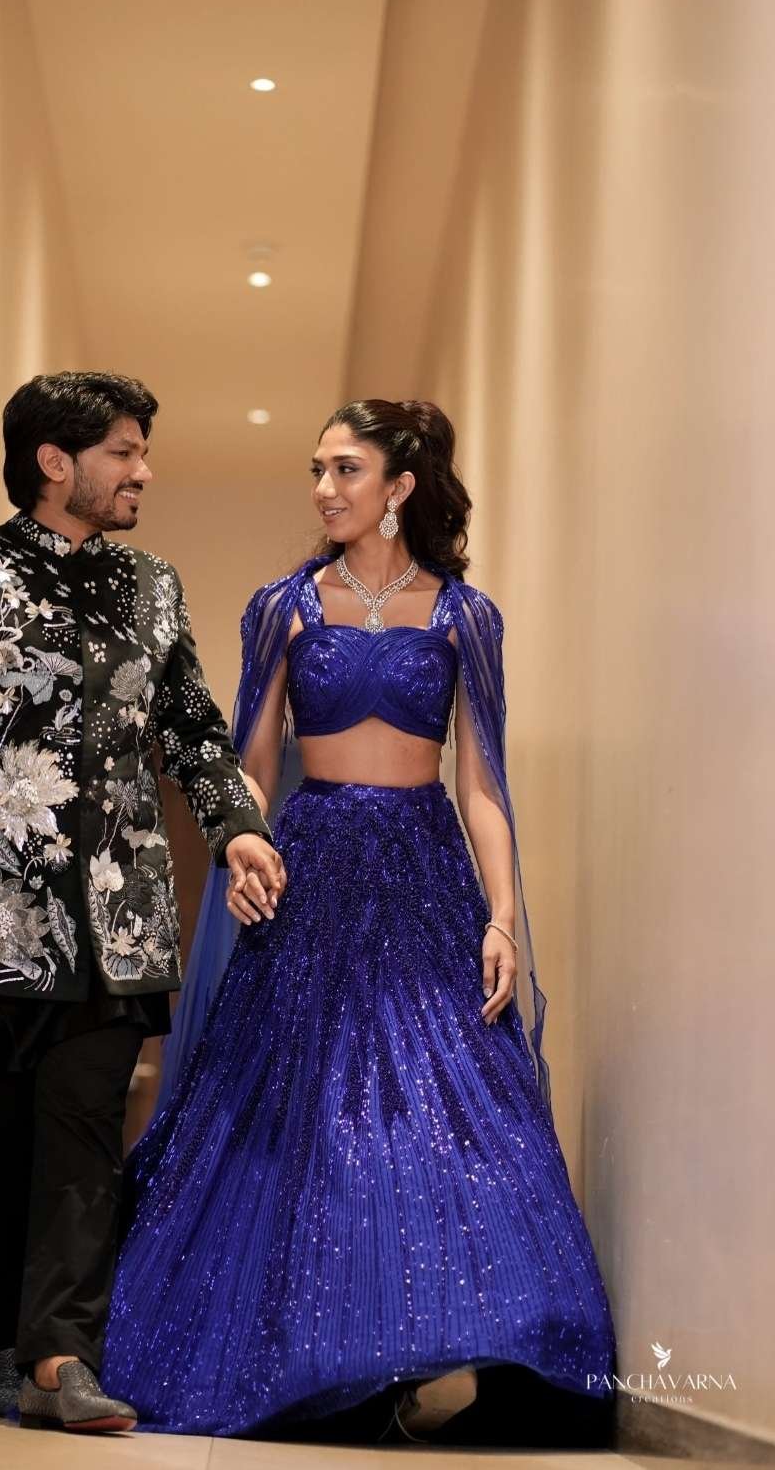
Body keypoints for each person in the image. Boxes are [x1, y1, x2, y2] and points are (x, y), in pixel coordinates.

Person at [100, 398, 616, 1444]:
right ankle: (320, 1361)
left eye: (345, 468)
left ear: (400, 486)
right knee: (307, 1110)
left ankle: (497, 1353)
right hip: (312, 871)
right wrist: (243, 845)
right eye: (318, 469)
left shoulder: (464, 615)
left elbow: (483, 782)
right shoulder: (283, 606)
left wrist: (502, 917)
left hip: (427, 873)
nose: (324, 488)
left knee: (458, 1105)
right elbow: (250, 762)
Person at [0, 371, 284, 1433]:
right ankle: (2, 1336)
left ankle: (62, 1356)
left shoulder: (152, 585)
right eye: (123, 451)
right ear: (54, 461)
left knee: (83, 1139)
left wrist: (237, 826)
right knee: (0, 1141)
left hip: (119, 917)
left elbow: (192, 725)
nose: (143, 470)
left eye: (141, 449)